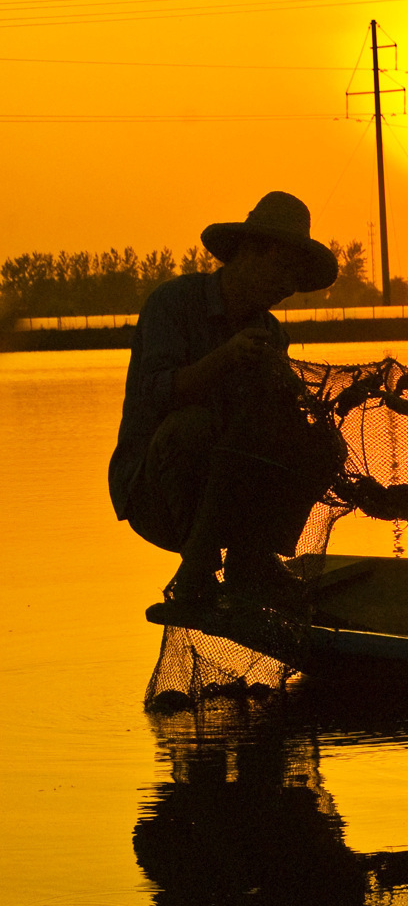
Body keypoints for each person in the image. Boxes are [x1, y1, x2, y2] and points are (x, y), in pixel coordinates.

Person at [109, 190, 341, 619]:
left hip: (228, 481)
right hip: (153, 487)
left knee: (321, 444)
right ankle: (197, 569)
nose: (288, 286)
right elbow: (156, 394)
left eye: (296, 277)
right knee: (194, 425)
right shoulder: (173, 303)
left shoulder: (270, 332)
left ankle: (250, 558)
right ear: (249, 253)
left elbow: (273, 423)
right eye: (282, 268)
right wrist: (225, 359)